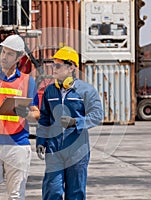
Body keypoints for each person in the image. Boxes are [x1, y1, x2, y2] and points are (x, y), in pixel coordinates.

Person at [36, 46, 103, 200]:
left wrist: (76, 122)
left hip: (77, 151)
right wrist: (41, 140)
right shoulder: (49, 91)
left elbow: (97, 115)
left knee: (75, 194)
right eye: (53, 64)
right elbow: (44, 118)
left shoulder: (86, 91)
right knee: (52, 191)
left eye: (58, 65)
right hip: (54, 150)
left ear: (71, 67)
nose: (54, 68)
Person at [0, 34, 40, 200]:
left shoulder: (28, 81)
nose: (4, 57)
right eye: (3, 52)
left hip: (18, 145)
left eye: (10, 54)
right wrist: (3, 109)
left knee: (16, 196)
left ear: (19, 57)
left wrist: (25, 114)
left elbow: (37, 114)